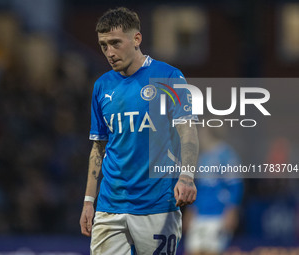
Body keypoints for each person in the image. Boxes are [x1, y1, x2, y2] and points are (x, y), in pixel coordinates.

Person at [79, 7, 199, 254]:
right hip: (109, 206)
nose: (109, 53)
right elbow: (99, 146)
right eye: (103, 46)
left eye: (115, 43)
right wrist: (89, 201)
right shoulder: (102, 86)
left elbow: (188, 131)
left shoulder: (169, 77)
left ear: (136, 39)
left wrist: (187, 176)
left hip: (157, 205)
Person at [183, 126, 244, 255]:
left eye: (201, 133)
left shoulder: (227, 155)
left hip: (218, 214)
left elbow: (236, 185)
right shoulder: (203, 157)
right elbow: (198, 187)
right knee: (193, 250)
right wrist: (191, 210)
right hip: (200, 214)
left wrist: (232, 210)